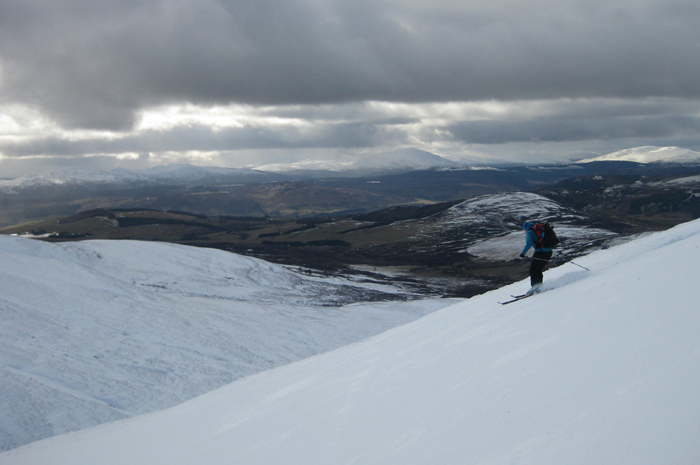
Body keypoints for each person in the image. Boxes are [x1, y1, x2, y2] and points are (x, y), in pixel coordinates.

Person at [519, 221, 553, 293]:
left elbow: (529, 243)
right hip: (549, 252)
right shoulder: (541, 230)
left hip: (540, 252)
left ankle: (535, 286)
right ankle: (540, 285)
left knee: (533, 269)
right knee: (538, 269)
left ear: (526, 228)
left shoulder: (530, 232)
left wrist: (523, 253)